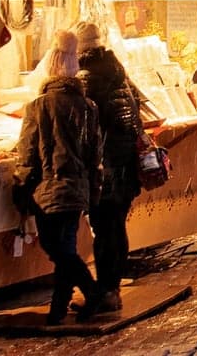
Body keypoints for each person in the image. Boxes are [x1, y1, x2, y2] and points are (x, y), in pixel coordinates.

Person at [13, 29, 106, 325]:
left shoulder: (39, 106)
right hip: (77, 187)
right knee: (64, 246)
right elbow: (95, 154)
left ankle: (92, 293)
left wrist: (21, 187)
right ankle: (58, 307)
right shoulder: (88, 107)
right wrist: (93, 188)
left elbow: (28, 154)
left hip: (49, 187)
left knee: (57, 248)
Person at [75, 22, 143, 310]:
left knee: (105, 232)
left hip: (107, 169)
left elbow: (86, 125)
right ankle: (112, 289)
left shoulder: (89, 80)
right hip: (126, 166)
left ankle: (105, 292)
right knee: (116, 228)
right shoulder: (119, 76)